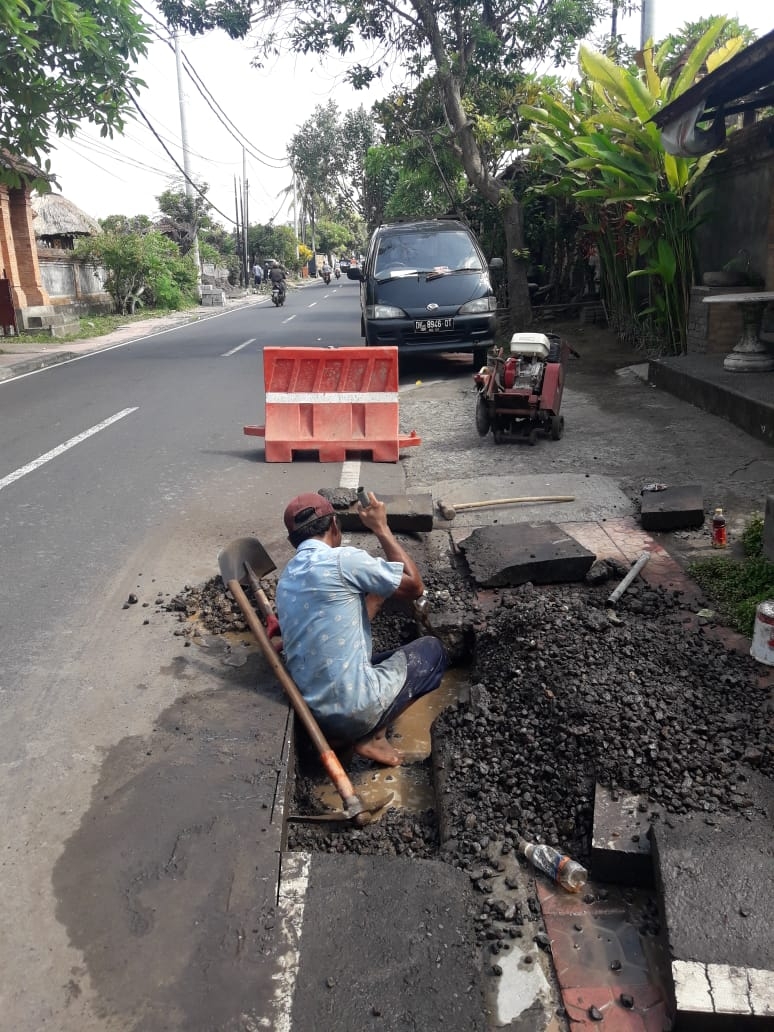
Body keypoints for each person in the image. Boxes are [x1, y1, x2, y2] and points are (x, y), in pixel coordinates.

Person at [275, 492, 448, 767]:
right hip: (353, 709)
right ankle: (373, 736)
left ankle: (343, 737)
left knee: (378, 659)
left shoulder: (285, 580)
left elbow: (339, 625)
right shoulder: (344, 560)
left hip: (315, 714)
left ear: (292, 541)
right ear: (334, 525)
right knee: (432, 651)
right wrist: (381, 527)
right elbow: (415, 586)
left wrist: (376, 599)